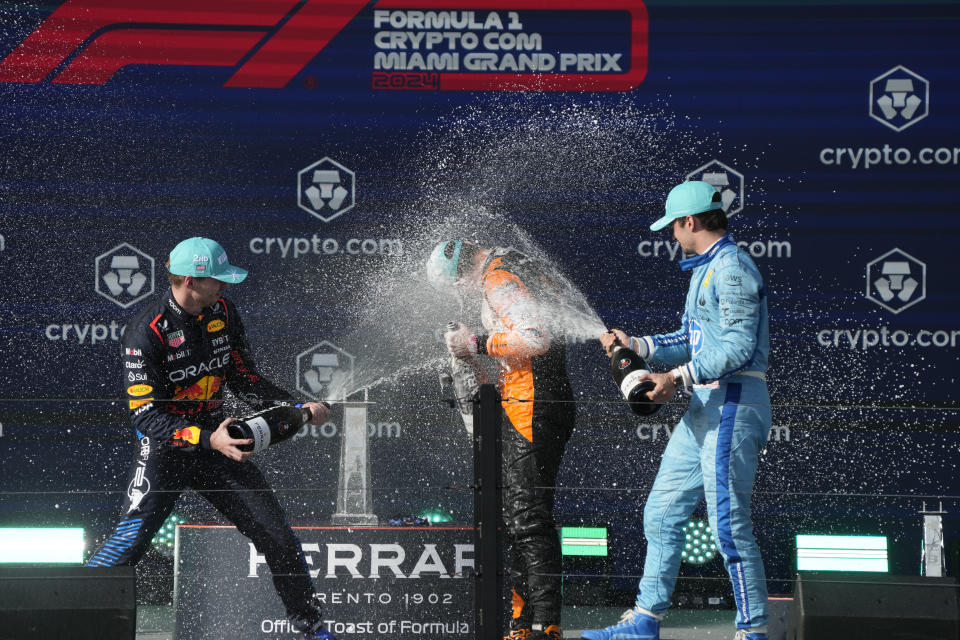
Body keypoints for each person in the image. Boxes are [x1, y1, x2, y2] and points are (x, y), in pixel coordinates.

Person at [87, 237, 336, 640]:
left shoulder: (222, 310)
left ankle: (314, 631)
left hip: (219, 443)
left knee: (277, 537)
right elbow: (146, 416)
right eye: (217, 280)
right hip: (167, 450)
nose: (225, 286)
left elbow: (243, 377)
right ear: (189, 281)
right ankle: (68, 619)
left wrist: (298, 408)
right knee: (128, 545)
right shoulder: (144, 332)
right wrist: (207, 440)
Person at [586, 181, 771, 640]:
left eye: (673, 226)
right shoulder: (705, 270)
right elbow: (695, 340)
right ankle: (645, 622)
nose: (671, 235)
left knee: (727, 526)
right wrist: (638, 346)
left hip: (733, 405)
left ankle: (754, 633)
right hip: (707, 405)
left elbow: (740, 348)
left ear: (689, 222)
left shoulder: (732, 269)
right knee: (662, 513)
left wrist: (676, 378)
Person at [426, 240, 575, 640]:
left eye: (457, 287)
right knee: (517, 517)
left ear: (462, 272)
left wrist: (476, 343)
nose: (462, 294)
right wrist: (475, 362)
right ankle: (523, 623)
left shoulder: (499, 277)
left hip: (533, 403)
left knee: (526, 518)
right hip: (536, 399)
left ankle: (544, 626)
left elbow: (535, 338)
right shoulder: (520, 263)